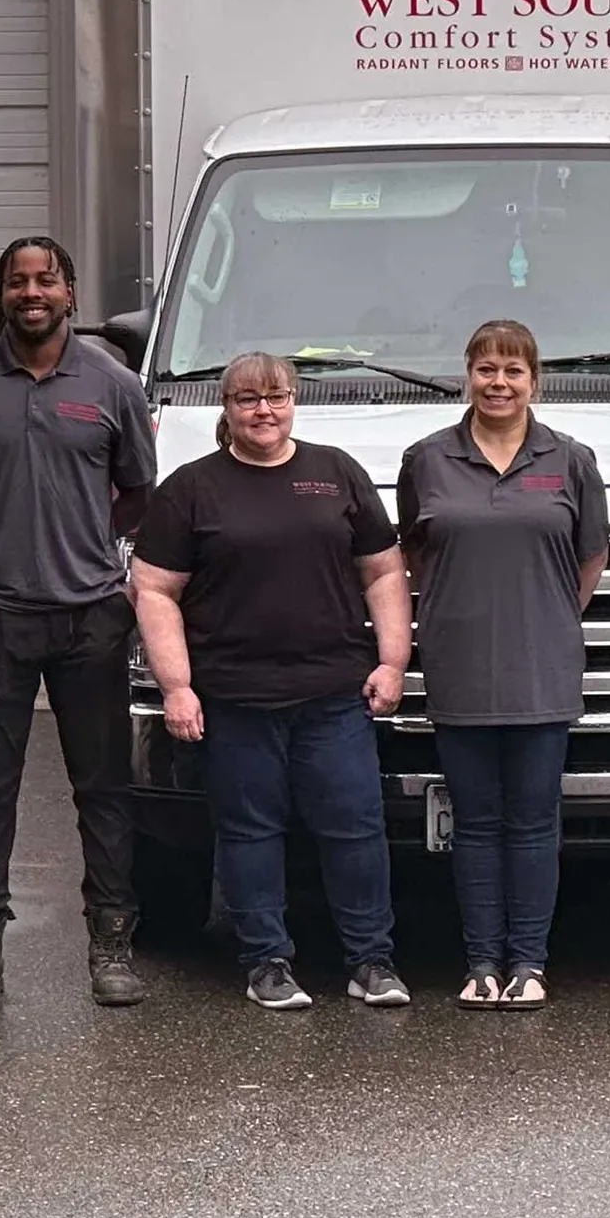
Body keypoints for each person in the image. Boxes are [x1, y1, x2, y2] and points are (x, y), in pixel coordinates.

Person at [130, 351, 413, 1011]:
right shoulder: (192, 488)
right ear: (226, 410)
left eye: (276, 397)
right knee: (250, 831)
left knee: (355, 827)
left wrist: (392, 661)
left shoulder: (335, 473)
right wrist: (177, 685)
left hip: (334, 693)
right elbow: (153, 589)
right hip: (236, 697)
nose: (264, 410)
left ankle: (371, 961)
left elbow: (383, 572)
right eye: (248, 399)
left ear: (294, 402)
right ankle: (267, 962)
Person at [0, 236, 156, 1008]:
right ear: (1, 293)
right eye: (18, 281)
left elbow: (136, 492)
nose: (32, 292)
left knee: (103, 788)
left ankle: (112, 944)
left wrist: (81, 541)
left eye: (46, 280)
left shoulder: (114, 384)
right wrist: (5, 544)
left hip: (91, 612)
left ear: (70, 294)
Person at [397, 321, 608, 1010]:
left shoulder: (570, 460)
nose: (499, 383)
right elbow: (418, 553)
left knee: (535, 820)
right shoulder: (427, 459)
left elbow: (589, 560)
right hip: (459, 665)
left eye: (513, 372)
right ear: (468, 375)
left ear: (534, 382)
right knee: (477, 820)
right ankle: (482, 962)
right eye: (487, 369)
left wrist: (540, 613)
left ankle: (530, 964)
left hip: (542, 666)